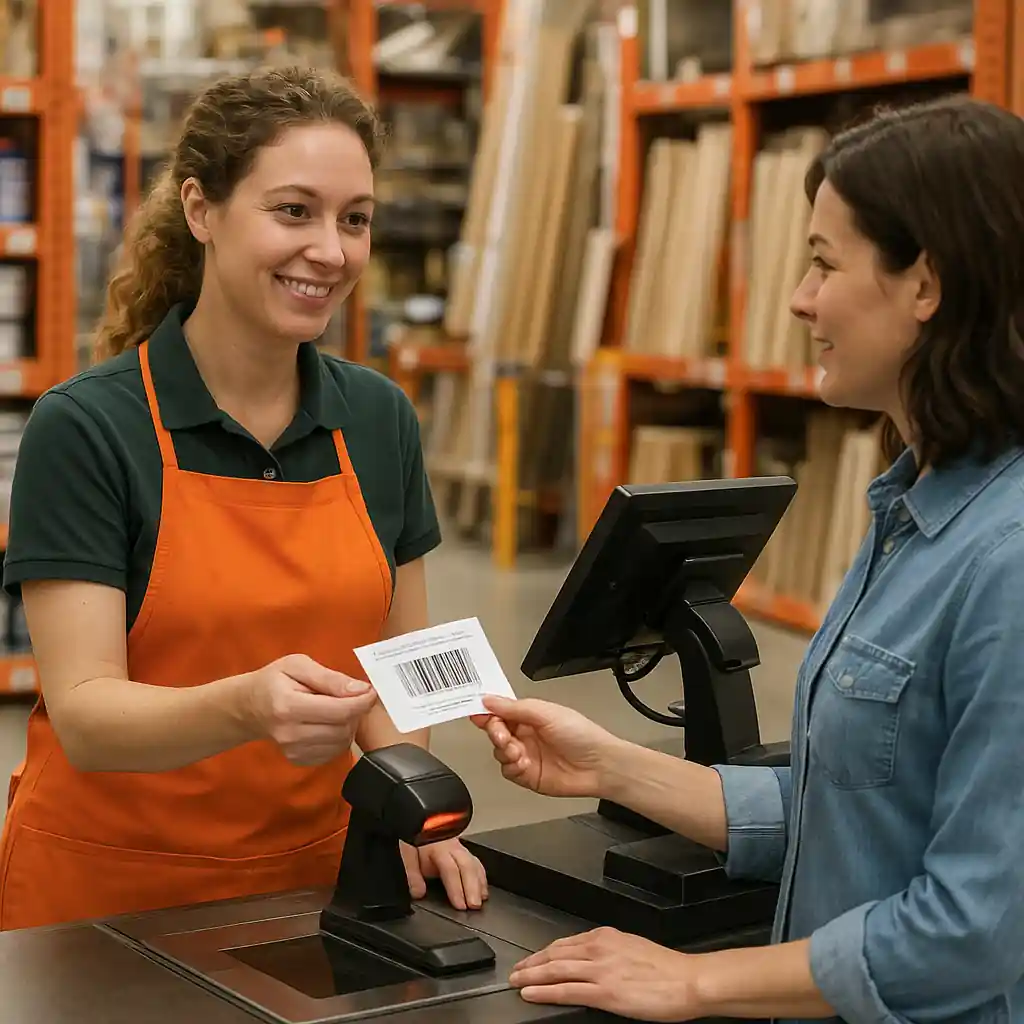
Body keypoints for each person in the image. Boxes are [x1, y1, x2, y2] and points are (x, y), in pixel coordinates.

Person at [475, 94, 1024, 1024]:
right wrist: (613, 767)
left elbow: (974, 928)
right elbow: (852, 816)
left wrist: (694, 983)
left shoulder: (1007, 562)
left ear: (924, 285)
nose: (801, 299)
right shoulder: (911, 511)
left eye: (822, 262)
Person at [0, 65, 487, 931]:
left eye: (355, 220)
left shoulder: (378, 420)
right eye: (293, 211)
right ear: (201, 210)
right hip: (109, 904)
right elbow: (86, 715)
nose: (331, 252)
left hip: (315, 883)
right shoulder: (87, 428)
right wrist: (246, 707)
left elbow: (407, 668)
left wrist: (409, 801)